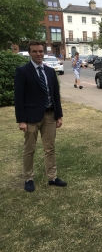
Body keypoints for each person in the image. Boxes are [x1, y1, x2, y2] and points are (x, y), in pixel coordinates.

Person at [14, 41, 67, 192]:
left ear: (44, 52)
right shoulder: (23, 71)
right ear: (30, 53)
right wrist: (21, 120)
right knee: (29, 149)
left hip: (50, 115)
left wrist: (59, 116)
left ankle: (52, 177)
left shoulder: (50, 71)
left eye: (40, 51)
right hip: (31, 117)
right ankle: (28, 178)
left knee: (50, 148)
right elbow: (19, 97)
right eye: (35, 51)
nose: (38, 54)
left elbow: (55, 95)